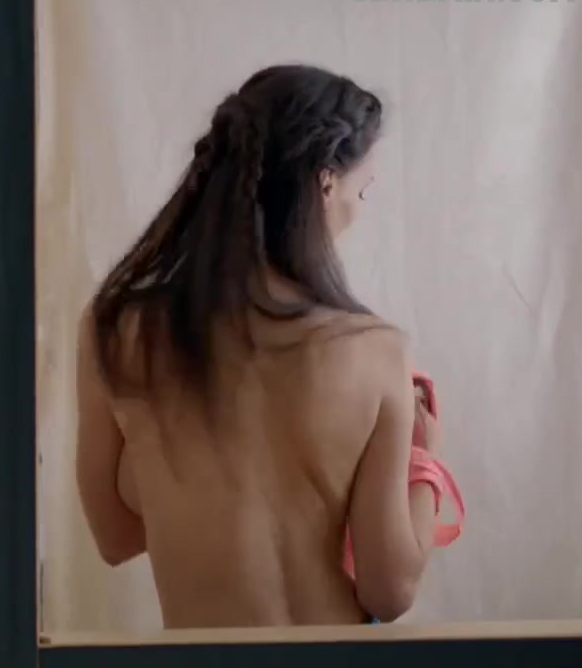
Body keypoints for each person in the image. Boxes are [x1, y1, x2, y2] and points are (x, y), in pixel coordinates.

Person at [75, 64, 443, 628]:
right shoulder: (374, 351)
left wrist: (169, 472)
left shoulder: (118, 329)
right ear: (325, 184)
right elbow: (389, 590)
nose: (359, 210)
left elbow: (115, 537)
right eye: (362, 190)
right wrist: (423, 462)